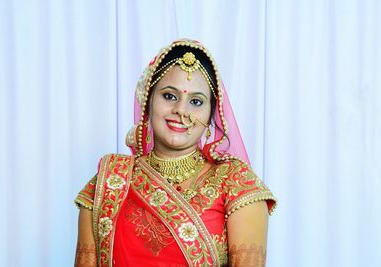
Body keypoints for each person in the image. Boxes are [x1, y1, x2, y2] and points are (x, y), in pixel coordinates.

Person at [74, 39, 277, 267]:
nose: (181, 110)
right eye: (169, 96)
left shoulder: (235, 181)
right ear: (148, 101)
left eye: (196, 101)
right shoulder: (109, 182)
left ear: (211, 115)